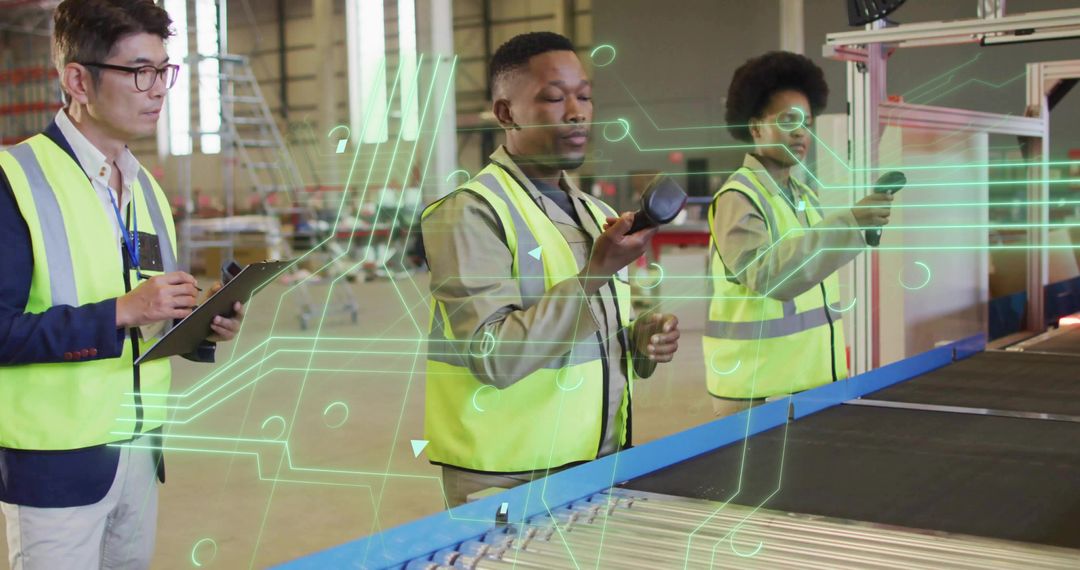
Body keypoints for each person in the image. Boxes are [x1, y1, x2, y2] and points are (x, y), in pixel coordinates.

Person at [0, 1, 243, 568]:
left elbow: (148, 315)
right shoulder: (15, 182)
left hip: (138, 453)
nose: (157, 89)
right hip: (56, 469)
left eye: (163, 71)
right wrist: (120, 311)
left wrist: (199, 320)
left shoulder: (146, 188)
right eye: (138, 71)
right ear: (77, 79)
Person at [421, 32, 681, 507]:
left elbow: (586, 338)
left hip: (597, 462)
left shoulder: (593, 211)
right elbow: (494, 357)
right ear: (506, 113)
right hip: (508, 480)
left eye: (584, 96)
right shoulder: (469, 213)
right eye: (554, 98)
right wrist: (598, 272)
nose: (577, 112)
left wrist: (637, 341)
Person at [704, 51, 893, 416]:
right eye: (789, 120)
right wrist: (851, 224)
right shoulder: (739, 197)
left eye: (807, 122)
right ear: (756, 127)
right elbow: (770, 274)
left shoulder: (802, 196)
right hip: (757, 394)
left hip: (806, 387)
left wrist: (857, 226)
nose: (801, 133)